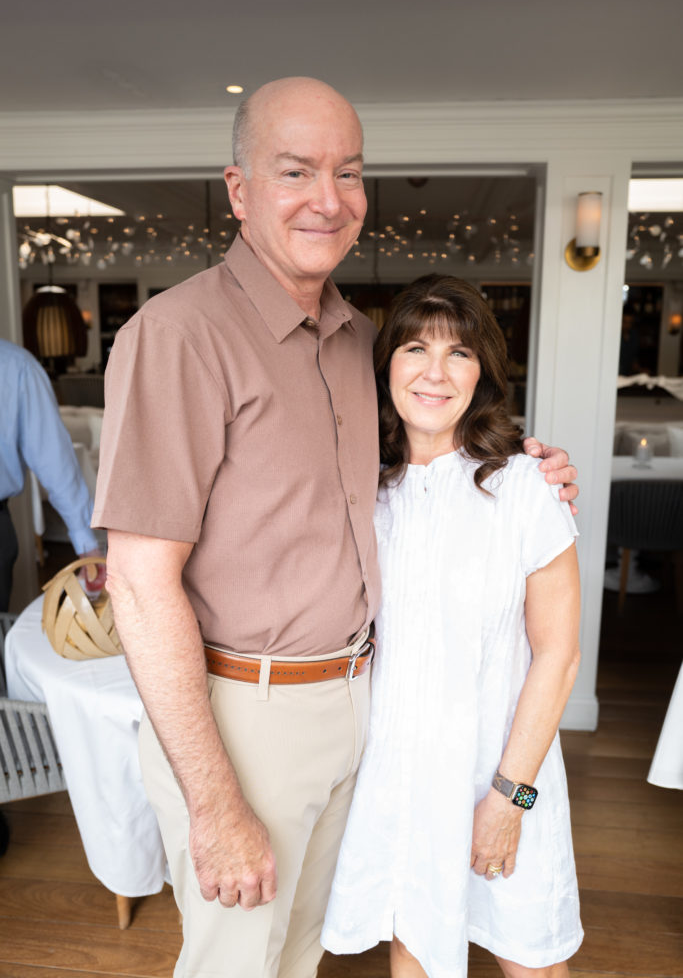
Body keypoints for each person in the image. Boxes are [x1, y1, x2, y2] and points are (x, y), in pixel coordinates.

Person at [93, 77, 579, 978]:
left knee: (303, 953)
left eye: (348, 172)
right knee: (236, 962)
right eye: (295, 171)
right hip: (245, 713)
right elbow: (138, 579)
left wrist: (529, 468)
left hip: (364, 706)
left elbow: (426, 460)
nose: (329, 197)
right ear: (238, 191)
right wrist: (214, 800)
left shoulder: (359, 340)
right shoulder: (179, 335)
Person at [322, 275, 583, 978]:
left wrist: (509, 797)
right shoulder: (363, 492)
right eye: (414, 348)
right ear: (387, 370)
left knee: (528, 954)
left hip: (498, 770)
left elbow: (557, 656)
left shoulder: (525, 488)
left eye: (458, 354)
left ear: (483, 376)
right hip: (397, 773)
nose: (434, 373)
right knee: (414, 947)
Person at [0, 338, 101, 612]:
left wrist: (85, 541)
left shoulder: (16, 366)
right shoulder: (15, 365)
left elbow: (53, 457)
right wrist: (86, 543)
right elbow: (54, 457)